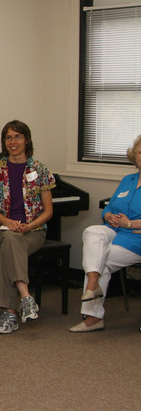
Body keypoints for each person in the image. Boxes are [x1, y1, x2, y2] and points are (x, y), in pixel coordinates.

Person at [0, 120, 54, 334]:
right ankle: (26, 297)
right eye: (8, 137)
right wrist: (9, 223)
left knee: (4, 253)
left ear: (26, 140)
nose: (13, 142)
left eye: (17, 137)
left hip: (34, 230)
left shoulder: (40, 169)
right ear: (4, 142)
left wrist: (29, 226)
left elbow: (48, 211)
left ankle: (9, 313)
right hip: (3, 228)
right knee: (11, 238)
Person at [70, 135, 141, 333]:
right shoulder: (129, 180)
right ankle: (93, 285)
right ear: (134, 156)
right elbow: (110, 206)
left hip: (137, 237)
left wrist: (129, 223)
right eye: (140, 152)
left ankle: (93, 317)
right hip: (114, 230)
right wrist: (108, 215)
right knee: (92, 231)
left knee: (99, 259)